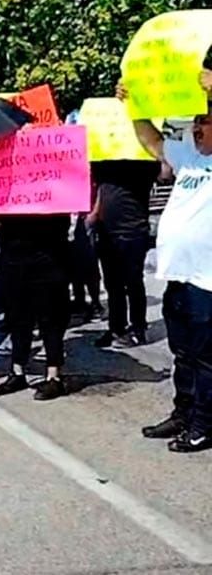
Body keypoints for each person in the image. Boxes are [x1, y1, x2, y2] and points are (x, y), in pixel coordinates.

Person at [119, 70, 212, 452]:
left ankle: (205, 423)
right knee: (184, 352)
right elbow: (151, 140)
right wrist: (134, 106)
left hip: (208, 279)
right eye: (195, 122)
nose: (196, 129)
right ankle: (183, 412)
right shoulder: (188, 155)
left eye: (204, 121)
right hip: (178, 273)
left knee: (207, 358)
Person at [0, 215, 72, 401]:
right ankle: (17, 371)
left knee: (50, 319)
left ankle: (54, 376)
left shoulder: (57, 186)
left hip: (49, 256)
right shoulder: (6, 187)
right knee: (17, 318)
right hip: (13, 256)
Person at [89, 160, 159, 348]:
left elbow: (164, 173)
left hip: (132, 229)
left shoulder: (143, 162)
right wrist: (94, 215)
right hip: (105, 230)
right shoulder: (101, 160)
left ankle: (138, 328)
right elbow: (100, 190)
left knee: (133, 281)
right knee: (112, 284)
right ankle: (116, 327)